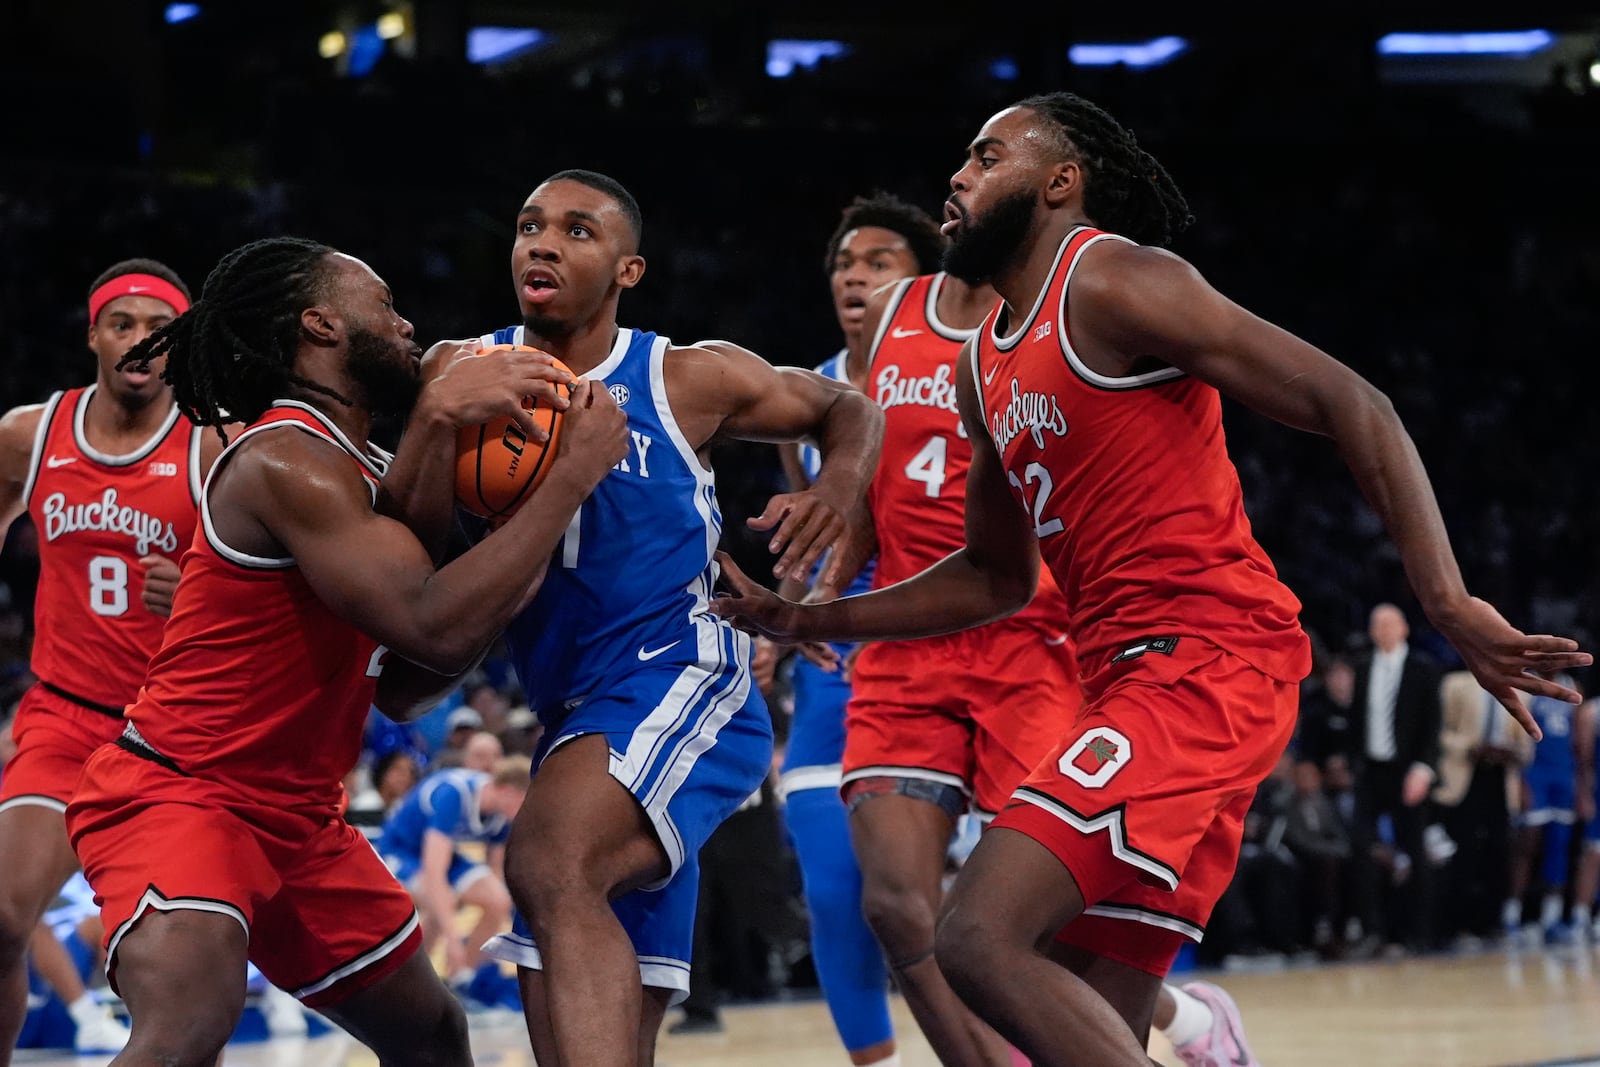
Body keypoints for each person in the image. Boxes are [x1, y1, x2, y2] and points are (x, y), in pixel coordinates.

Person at [710, 91, 1592, 1067]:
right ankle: (1203, 1033)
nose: (956, 177)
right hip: (1130, 674)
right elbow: (996, 576)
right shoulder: (982, 366)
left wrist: (1446, 598)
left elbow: (1352, 399)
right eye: (958, 160)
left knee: (976, 934)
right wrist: (810, 615)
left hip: (1206, 661)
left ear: (1060, 179)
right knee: (1089, 1010)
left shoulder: (1113, 279)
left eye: (986, 155)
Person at [62, 235, 631, 1067]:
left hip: (298, 818)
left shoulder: (363, 471)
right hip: (184, 793)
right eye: (386, 304)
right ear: (322, 324)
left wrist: (491, 495)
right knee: (190, 1016)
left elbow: (406, 682)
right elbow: (432, 623)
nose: (407, 326)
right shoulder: (285, 456)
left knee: (432, 1035)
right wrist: (566, 480)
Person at [417, 169, 882, 1067]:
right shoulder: (461, 372)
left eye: (577, 231)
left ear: (628, 270)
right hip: (571, 716)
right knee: (587, 1006)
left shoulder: (682, 376)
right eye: (528, 226)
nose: (542, 243)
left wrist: (837, 484)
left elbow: (847, 406)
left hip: (682, 672)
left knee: (549, 863)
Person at [0, 257, 213, 1062]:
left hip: (169, 734)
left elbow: (269, 584)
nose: (139, 341)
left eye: (157, 330)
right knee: (1, 914)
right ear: (94, 334)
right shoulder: (32, 432)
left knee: (182, 971)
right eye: (122, 323)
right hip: (62, 714)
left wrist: (195, 582)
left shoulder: (213, 445)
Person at [763, 190, 942, 1067]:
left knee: (974, 910)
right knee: (838, 896)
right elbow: (802, 550)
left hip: (962, 645)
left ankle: (1165, 1014)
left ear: (926, 280)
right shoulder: (805, 399)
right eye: (845, 264)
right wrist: (782, 617)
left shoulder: (977, 372)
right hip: (841, 666)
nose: (857, 276)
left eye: (879, 262)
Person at [378, 756, 529, 996]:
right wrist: (454, 941)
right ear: (509, 792)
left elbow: (496, 872)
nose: (527, 809)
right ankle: (415, 986)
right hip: (400, 849)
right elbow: (434, 872)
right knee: (441, 901)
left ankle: (463, 978)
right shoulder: (454, 794)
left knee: (498, 900)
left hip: (442, 852)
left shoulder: (502, 814)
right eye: (524, 801)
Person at [1347, 603, 1445, 952]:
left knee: (1415, 850)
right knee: (1361, 846)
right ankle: (1372, 930)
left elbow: (1434, 726)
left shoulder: (1423, 668)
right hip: (1372, 770)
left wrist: (1423, 769)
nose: (1382, 631)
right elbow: (1356, 722)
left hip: (1410, 771)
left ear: (1403, 629)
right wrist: (1353, 763)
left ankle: (1419, 933)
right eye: (1376, 625)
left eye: (1389, 624)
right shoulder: (1362, 667)